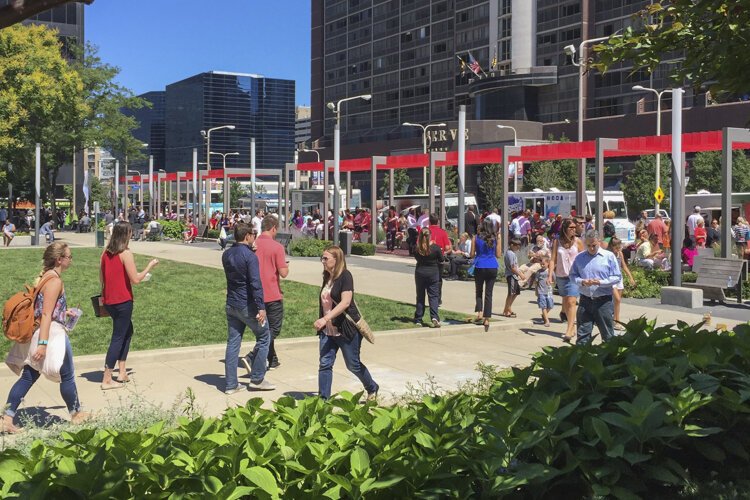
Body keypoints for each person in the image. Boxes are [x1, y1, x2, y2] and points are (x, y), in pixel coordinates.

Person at [2, 242, 89, 433]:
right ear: (59, 259)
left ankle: (6, 419)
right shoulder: (55, 281)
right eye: (69, 257)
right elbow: (46, 315)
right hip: (51, 334)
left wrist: (63, 311)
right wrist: (43, 344)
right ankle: (76, 414)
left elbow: (46, 308)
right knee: (67, 375)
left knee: (28, 376)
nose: (71, 260)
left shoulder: (47, 276)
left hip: (43, 331)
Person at [100, 222, 159, 390]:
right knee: (118, 337)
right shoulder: (125, 253)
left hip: (109, 300)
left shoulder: (105, 253)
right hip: (123, 301)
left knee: (128, 331)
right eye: (130, 233)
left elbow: (101, 278)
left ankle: (122, 371)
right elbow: (136, 279)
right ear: (125, 234)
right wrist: (150, 265)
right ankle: (107, 378)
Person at [314, 246, 379, 400]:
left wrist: (325, 318)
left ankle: (372, 387)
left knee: (353, 365)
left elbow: (345, 303)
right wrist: (324, 322)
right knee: (325, 364)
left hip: (345, 330)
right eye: (322, 258)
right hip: (328, 331)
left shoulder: (345, 276)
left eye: (325, 258)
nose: (322, 261)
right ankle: (323, 400)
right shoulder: (327, 277)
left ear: (336, 260)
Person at [222, 222, 275, 394]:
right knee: (264, 336)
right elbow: (255, 283)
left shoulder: (227, 254)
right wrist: (261, 307)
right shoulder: (250, 257)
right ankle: (257, 379)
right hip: (247, 305)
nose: (255, 237)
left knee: (233, 343)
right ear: (247, 236)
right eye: (253, 234)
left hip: (232, 303)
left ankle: (231, 384)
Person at [243, 215, 289, 372]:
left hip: (255, 295)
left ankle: (272, 359)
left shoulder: (252, 245)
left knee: (264, 328)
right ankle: (252, 355)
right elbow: (284, 273)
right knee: (273, 329)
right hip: (272, 294)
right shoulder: (277, 247)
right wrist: (286, 264)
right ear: (274, 228)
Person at [568, 230, 622, 345]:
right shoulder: (580, 257)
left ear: (599, 242)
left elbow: (617, 277)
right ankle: (582, 359)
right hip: (585, 301)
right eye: (589, 245)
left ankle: (609, 359)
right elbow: (572, 275)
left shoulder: (609, 256)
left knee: (608, 336)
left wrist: (601, 282)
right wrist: (582, 281)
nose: (591, 248)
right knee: (582, 336)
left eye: (594, 245)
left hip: (603, 302)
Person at [548, 218, 583, 341]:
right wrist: (549, 275)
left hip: (574, 276)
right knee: (566, 302)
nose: (574, 230)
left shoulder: (578, 242)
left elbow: (584, 258)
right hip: (561, 276)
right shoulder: (557, 242)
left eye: (575, 227)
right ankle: (571, 326)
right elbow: (553, 259)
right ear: (565, 229)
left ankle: (569, 330)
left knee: (571, 301)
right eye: (571, 228)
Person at [470, 218, 501, 330]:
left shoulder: (476, 238)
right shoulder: (495, 238)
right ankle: (486, 318)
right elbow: (498, 254)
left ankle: (479, 312)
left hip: (480, 265)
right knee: (489, 293)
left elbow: (472, 254)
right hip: (492, 266)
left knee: (479, 290)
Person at [413, 227, 443, 327]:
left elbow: (416, 257)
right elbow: (441, 259)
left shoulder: (417, 248)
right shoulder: (435, 248)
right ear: (430, 236)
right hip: (433, 273)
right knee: (433, 296)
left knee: (420, 296)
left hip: (420, 272)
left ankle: (418, 318)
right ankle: (434, 316)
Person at [609, 237, 635, 331]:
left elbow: (623, 265)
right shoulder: (609, 255)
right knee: (617, 299)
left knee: (617, 302)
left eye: (619, 246)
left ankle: (616, 320)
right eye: (617, 246)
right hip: (611, 279)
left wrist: (630, 277)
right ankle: (616, 321)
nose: (618, 248)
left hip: (619, 278)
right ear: (612, 246)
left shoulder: (620, 254)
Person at [502, 239, 523, 318]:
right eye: (516, 246)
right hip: (511, 275)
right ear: (511, 245)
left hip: (514, 276)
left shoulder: (512, 253)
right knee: (511, 293)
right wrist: (521, 274)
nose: (518, 248)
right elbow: (512, 267)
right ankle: (507, 310)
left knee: (516, 292)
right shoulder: (510, 254)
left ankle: (507, 308)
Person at [536, 256, 553, 327]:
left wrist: (552, 283)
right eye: (541, 264)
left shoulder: (550, 272)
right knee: (543, 306)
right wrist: (536, 290)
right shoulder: (538, 272)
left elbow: (553, 279)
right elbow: (536, 282)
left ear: (548, 263)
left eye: (543, 264)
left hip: (549, 292)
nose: (542, 265)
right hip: (541, 292)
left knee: (550, 306)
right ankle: (547, 321)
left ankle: (544, 315)